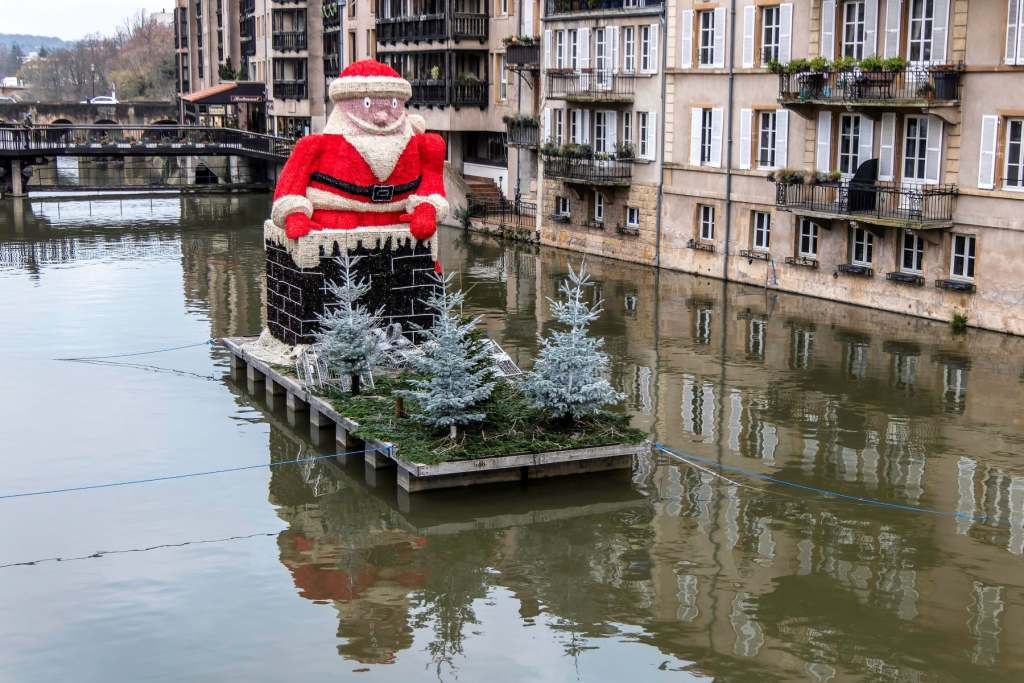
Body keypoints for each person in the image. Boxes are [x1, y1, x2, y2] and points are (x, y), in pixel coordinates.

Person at [270, 60, 448, 243]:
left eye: (393, 104)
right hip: (337, 231)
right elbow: (290, 188)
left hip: (398, 225)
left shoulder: (425, 146)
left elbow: (432, 184)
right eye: (368, 104)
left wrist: (427, 208)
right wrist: (295, 213)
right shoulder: (314, 147)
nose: (381, 116)